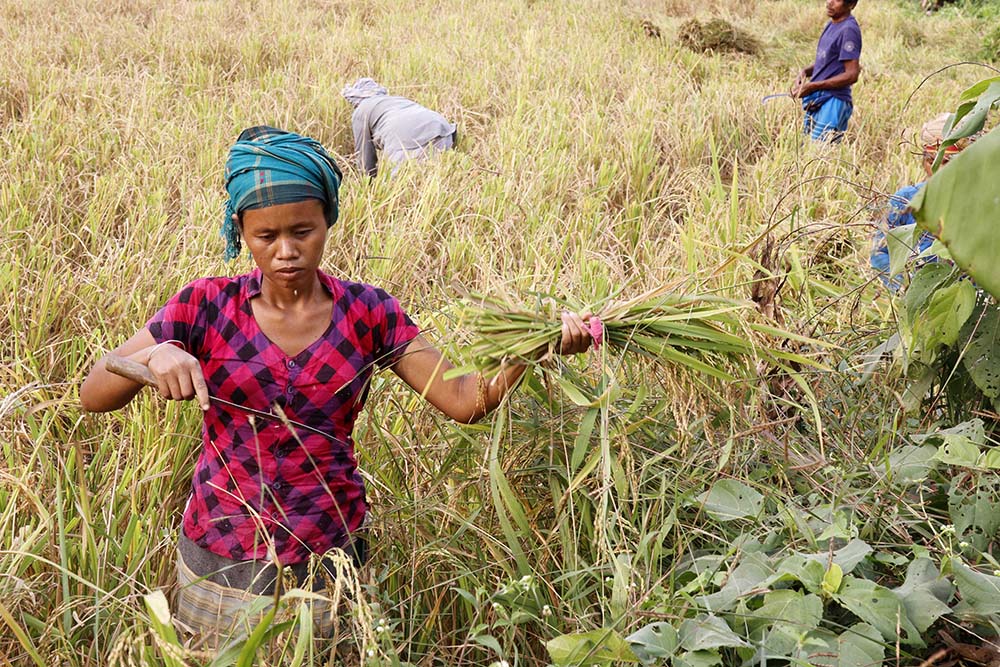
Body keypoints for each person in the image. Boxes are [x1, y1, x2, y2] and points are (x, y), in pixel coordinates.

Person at [79, 126, 591, 645]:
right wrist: (156, 352)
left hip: (326, 550)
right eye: (266, 237)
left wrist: (533, 347)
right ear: (239, 229)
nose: (285, 251)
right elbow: (92, 393)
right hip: (220, 548)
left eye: (302, 231)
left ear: (329, 220)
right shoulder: (205, 305)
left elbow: (464, 399)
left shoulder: (369, 312)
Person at [869, 113, 973, 288]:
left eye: (947, 161)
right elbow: (879, 254)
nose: (937, 169)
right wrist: (905, 289)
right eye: (931, 160)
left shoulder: (981, 202)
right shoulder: (905, 200)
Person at [342, 77, 457, 178]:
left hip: (405, 138)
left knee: (400, 186)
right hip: (442, 129)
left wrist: (368, 185)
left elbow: (364, 156)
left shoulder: (360, 111)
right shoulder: (395, 99)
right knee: (434, 178)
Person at [791, 0, 862, 142]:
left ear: (851, 4)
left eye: (837, 0)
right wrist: (804, 72)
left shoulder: (848, 30)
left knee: (820, 155)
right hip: (819, 99)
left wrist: (812, 86)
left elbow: (852, 74)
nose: (829, 2)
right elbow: (826, 62)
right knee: (807, 150)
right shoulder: (831, 24)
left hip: (833, 102)